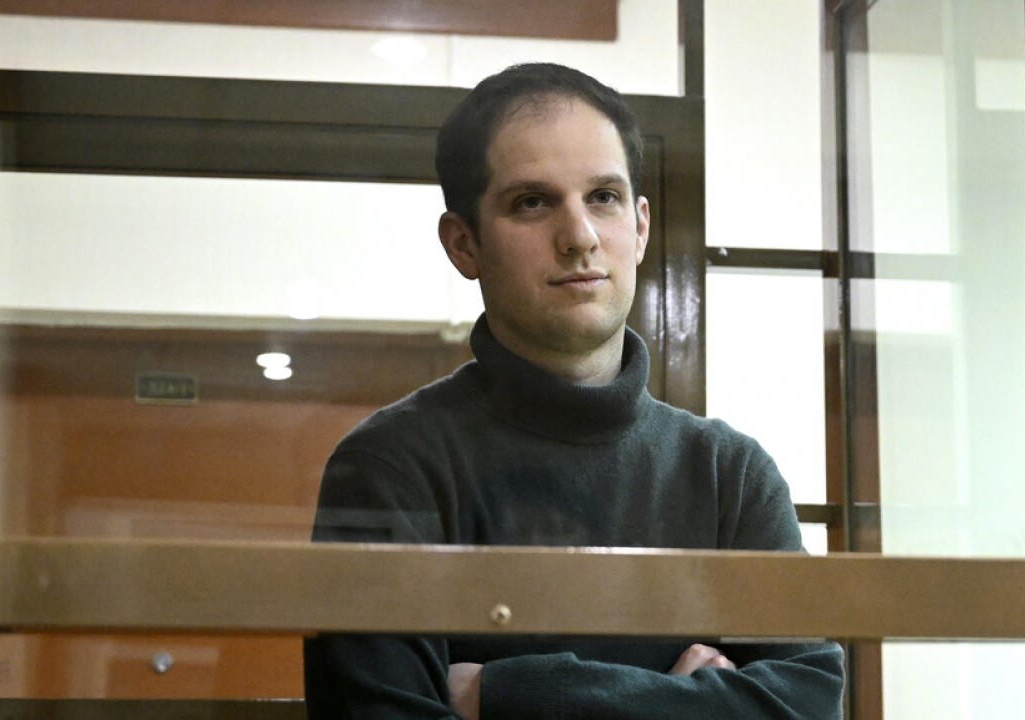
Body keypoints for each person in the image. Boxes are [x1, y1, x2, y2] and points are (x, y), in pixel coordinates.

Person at [303, 62, 844, 720]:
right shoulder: (391, 467)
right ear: (463, 244)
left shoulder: (728, 473)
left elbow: (808, 704)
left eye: (604, 197)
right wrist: (685, 701)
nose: (580, 236)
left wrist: (506, 695)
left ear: (640, 226)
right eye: (532, 202)